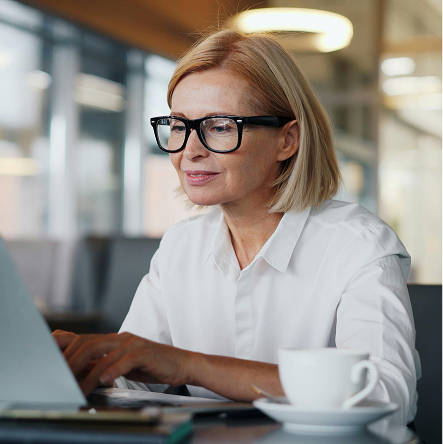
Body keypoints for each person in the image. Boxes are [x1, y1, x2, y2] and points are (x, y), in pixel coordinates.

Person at [54, 29, 419, 425]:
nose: (190, 150)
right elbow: (132, 384)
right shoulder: (182, 244)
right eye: (179, 126)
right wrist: (81, 366)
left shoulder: (359, 245)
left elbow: (388, 398)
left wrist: (190, 365)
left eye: (221, 127)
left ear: (287, 140)